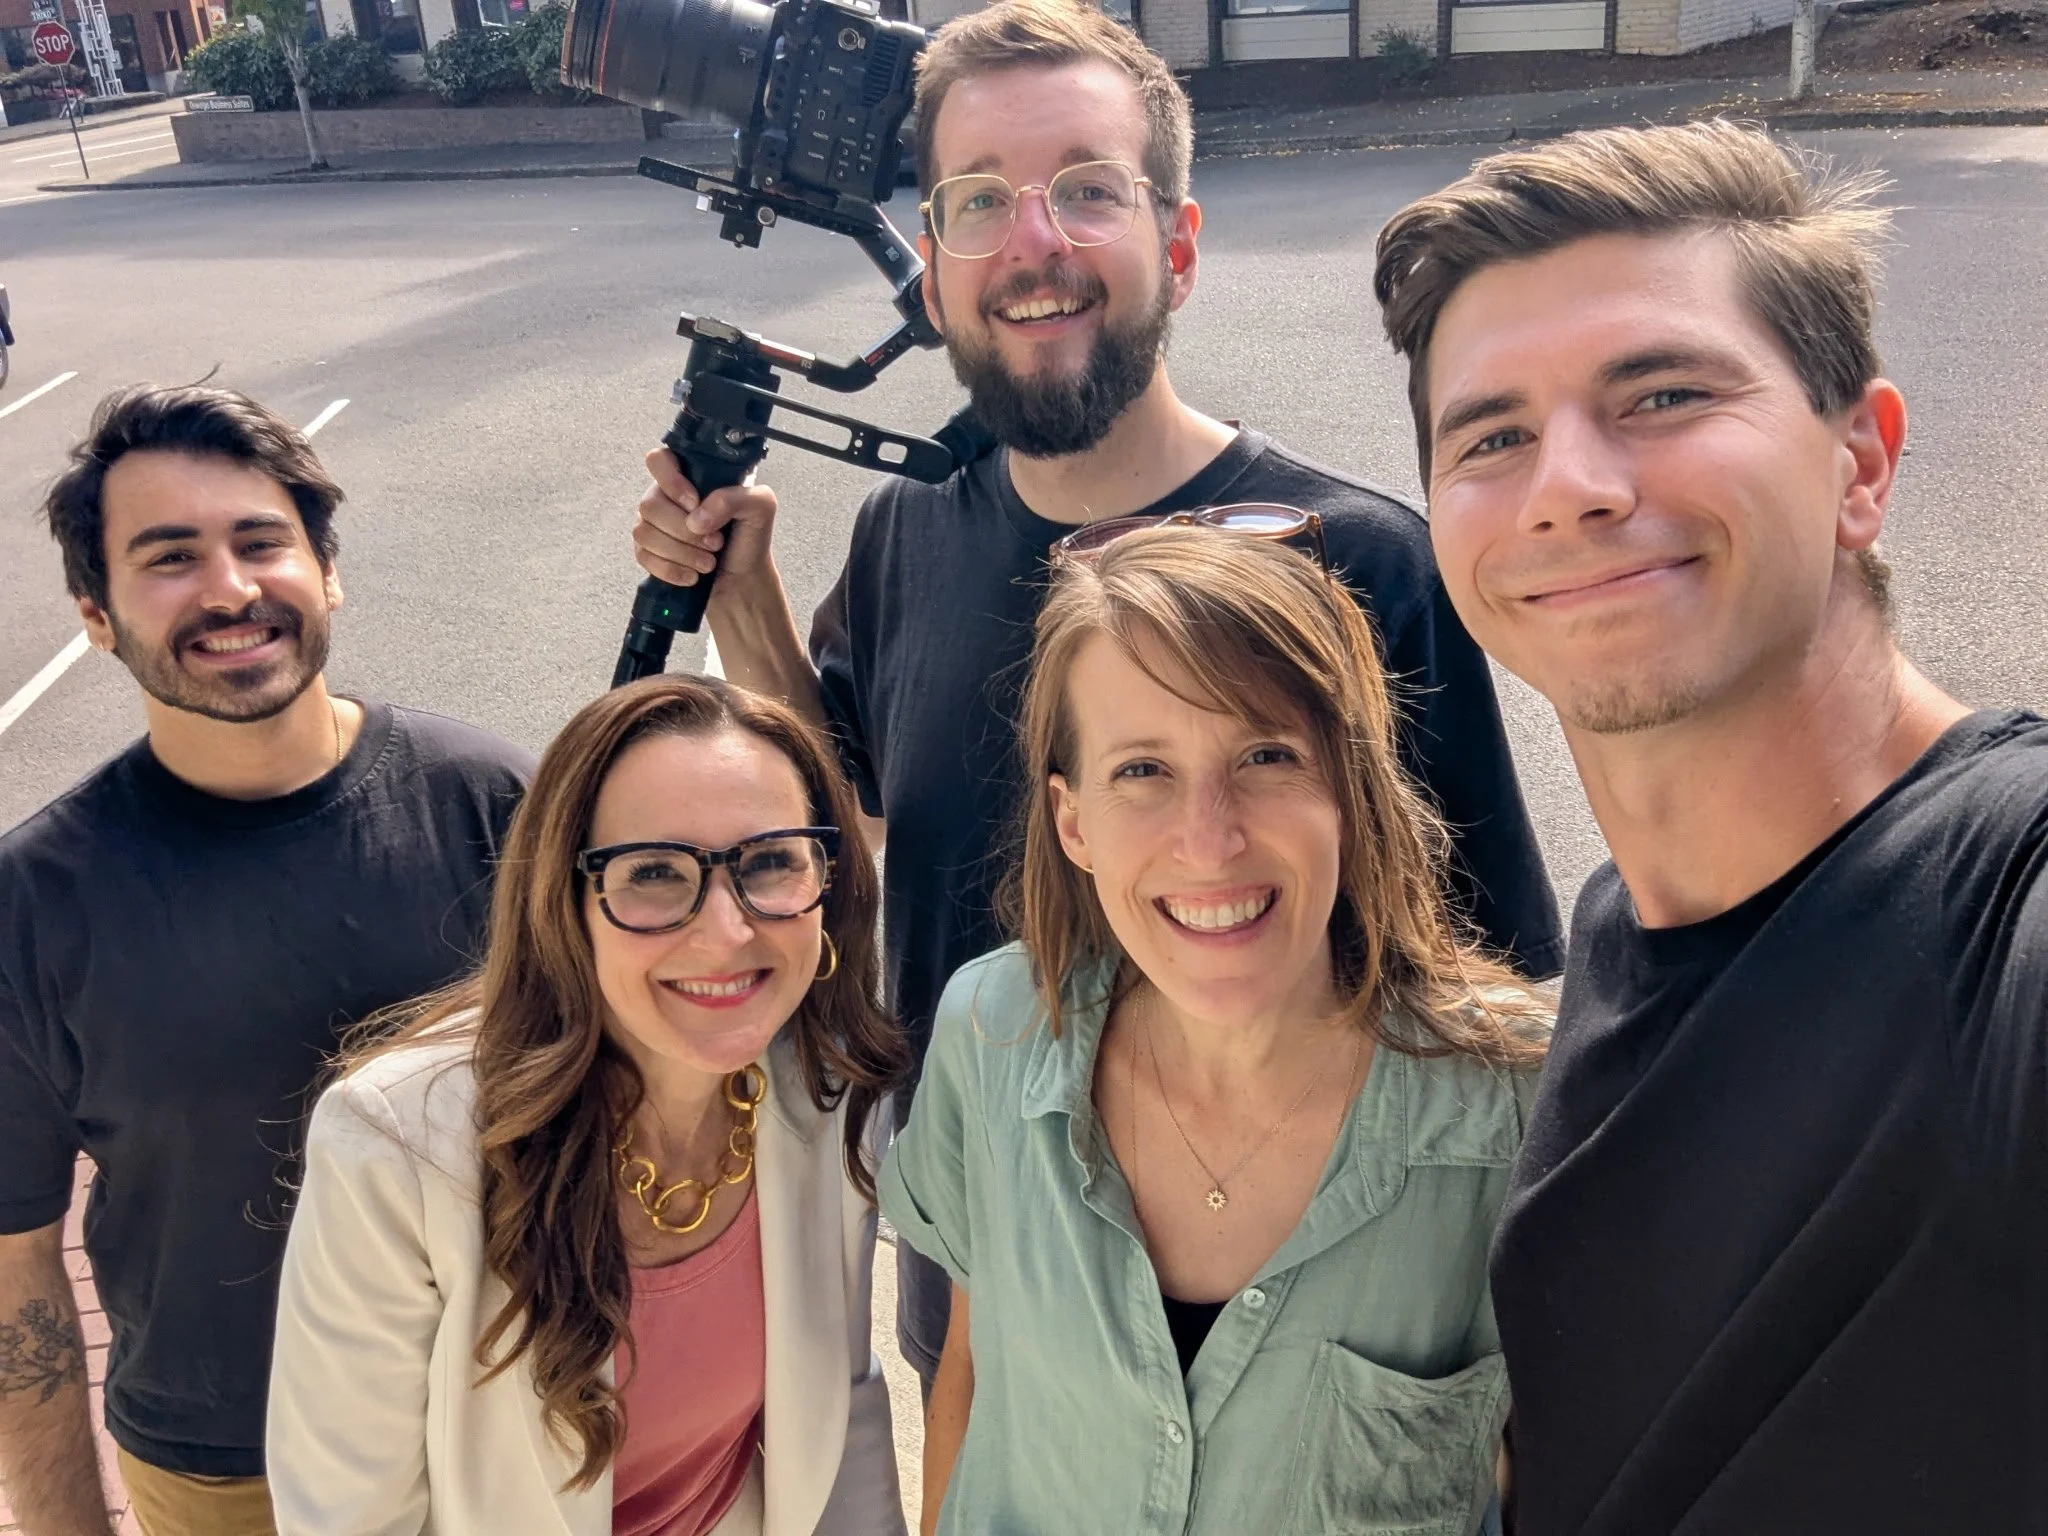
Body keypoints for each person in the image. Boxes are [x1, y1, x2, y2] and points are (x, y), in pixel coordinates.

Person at [630, 0, 1562, 1393]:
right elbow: (855, 809)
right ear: (932, 262)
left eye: (1086, 190)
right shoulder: (907, 528)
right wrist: (741, 597)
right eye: (979, 201)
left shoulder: (1358, 562)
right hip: (984, 1261)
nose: (1034, 242)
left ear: (1175, 244)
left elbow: (1496, 984)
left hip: (1299, 1309)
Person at [1372, 120, 2048, 1535]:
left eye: (1663, 394)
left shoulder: (2005, 909)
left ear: (1860, 462)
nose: (1568, 484)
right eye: (1491, 437)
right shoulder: (1619, 929)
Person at [879, 527, 1551, 1536]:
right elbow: (971, 1372)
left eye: (1266, 755)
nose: (1209, 839)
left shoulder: (1519, 1106)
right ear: (1073, 824)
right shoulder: (992, 1032)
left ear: (1351, 792)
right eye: (1142, 770)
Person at [0, 386, 533, 1536]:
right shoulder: (33, 902)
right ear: (95, 615)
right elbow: (16, 1263)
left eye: (259, 543)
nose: (231, 590)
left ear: (326, 572)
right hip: (227, 1477)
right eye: (169, 558)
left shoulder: (493, 805)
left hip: (508, 1418)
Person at [267, 674, 910, 1536]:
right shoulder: (396, 1149)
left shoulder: (821, 1091)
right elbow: (351, 1520)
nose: (727, 931)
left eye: (770, 861)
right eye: (655, 873)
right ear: (565, 908)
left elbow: (837, 1405)